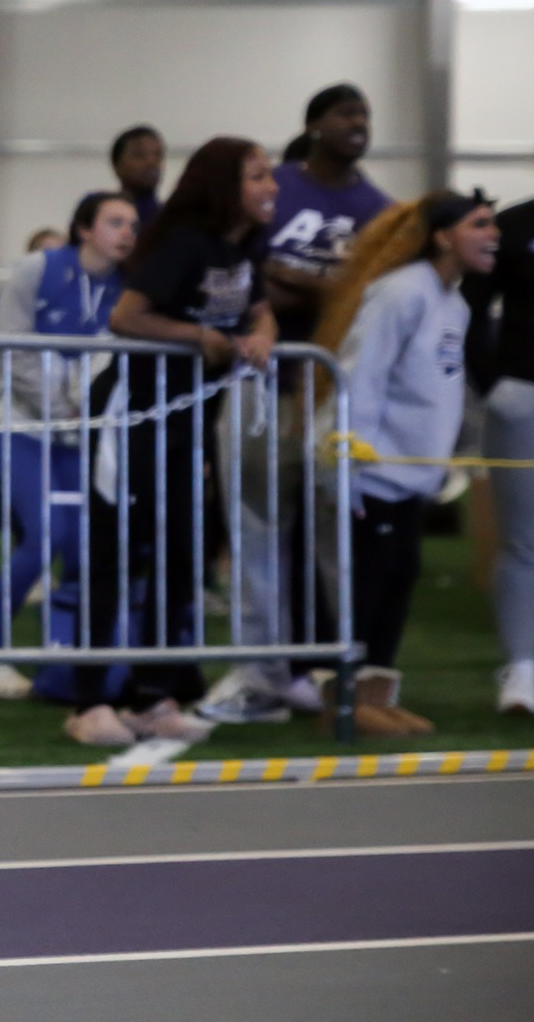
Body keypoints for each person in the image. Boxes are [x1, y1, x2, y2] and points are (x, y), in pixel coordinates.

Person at [67, 137, 279, 747]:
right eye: (259, 176)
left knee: (178, 559)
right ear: (224, 184)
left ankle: (152, 695)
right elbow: (127, 316)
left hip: (188, 426)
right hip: (131, 418)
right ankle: (90, 701)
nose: (272, 187)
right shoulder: (185, 241)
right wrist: (194, 335)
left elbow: (260, 308)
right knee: (114, 556)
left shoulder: (243, 245)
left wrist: (262, 331)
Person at [201, 84, 393, 724]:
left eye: (364, 113)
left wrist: (298, 282)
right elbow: (239, 277)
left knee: (338, 541)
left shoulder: (380, 211)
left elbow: (363, 302)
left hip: (330, 400)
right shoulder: (272, 186)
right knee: (256, 533)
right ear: (314, 125)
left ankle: (348, 676)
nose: (359, 123)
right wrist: (313, 288)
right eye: (346, 113)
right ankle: (260, 676)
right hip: (257, 387)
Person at [317, 191, 496, 736]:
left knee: (399, 579)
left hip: (414, 475)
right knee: (365, 585)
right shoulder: (400, 293)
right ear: (443, 236)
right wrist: (347, 456)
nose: (493, 235)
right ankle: (341, 705)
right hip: (373, 470)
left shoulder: (455, 303)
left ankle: (378, 695)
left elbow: (445, 390)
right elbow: (361, 375)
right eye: (479, 225)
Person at [0, 193, 139, 700]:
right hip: (20, 422)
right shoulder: (37, 269)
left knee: (80, 540)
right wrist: (58, 405)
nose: (127, 232)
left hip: (83, 430)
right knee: (46, 534)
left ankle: (68, 653)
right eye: (115, 222)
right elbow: (10, 345)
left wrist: (86, 410)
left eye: (132, 223)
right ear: (84, 228)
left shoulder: (128, 286)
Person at [467, 195, 534, 714]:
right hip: (522, 399)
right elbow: (468, 304)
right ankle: (524, 669)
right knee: (523, 539)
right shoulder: (511, 225)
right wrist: (492, 384)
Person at [111, 125, 166, 227]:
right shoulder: (102, 218)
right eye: (139, 155)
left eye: (158, 155)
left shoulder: (170, 219)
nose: (151, 162)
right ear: (116, 165)